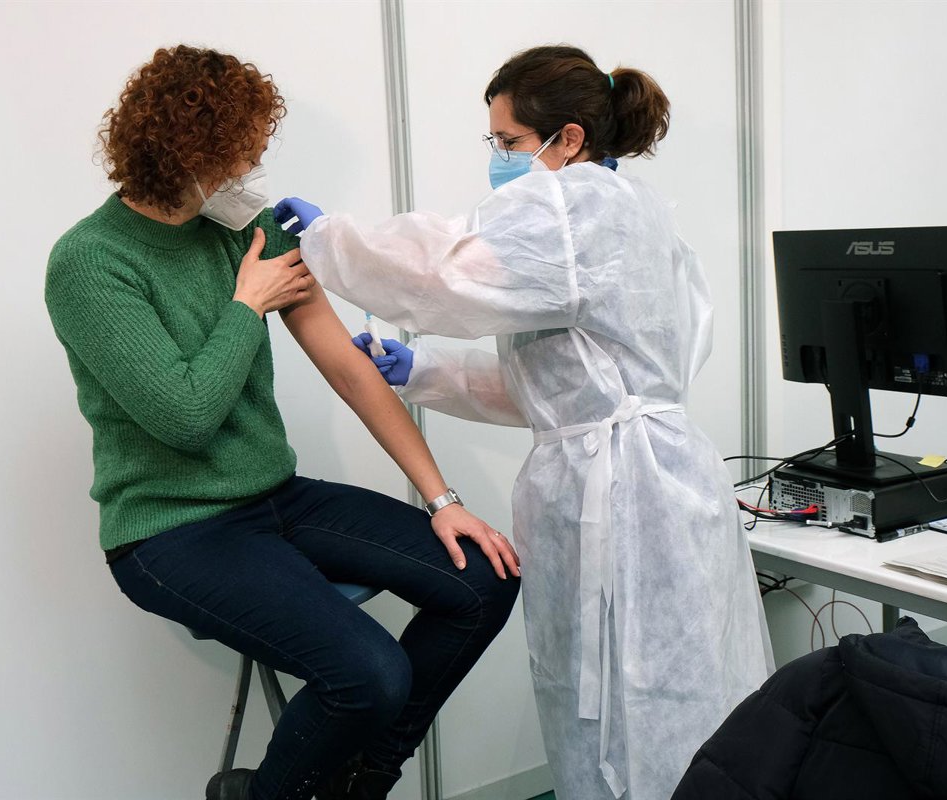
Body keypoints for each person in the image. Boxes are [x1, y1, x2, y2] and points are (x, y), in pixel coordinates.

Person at [274, 45, 773, 800]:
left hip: (629, 493)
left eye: (508, 141)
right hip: (647, 475)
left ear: (568, 138)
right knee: (660, 687)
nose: (499, 158)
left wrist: (330, 240)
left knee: (645, 696)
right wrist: (425, 370)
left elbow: (442, 272)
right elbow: (573, 383)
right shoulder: (633, 208)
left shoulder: (573, 208)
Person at [44, 45, 520, 800]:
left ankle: (361, 778)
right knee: (369, 673)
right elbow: (186, 418)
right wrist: (247, 304)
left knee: (484, 579)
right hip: (171, 529)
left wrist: (443, 499)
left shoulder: (247, 228)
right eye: (240, 156)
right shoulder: (90, 261)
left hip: (277, 498)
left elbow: (348, 368)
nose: (253, 173)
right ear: (186, 154)